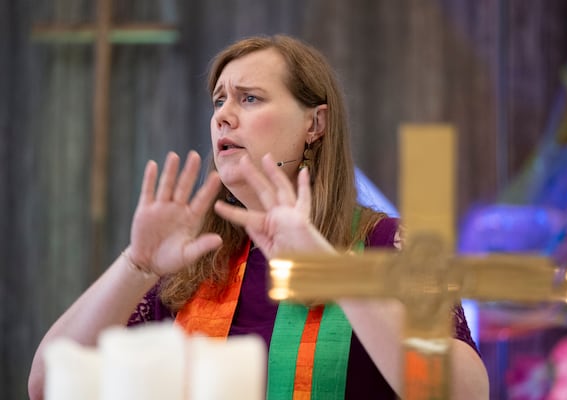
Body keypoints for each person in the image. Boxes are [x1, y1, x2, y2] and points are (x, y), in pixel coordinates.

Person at [28, 34, 488, 399]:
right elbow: (48, 384)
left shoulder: (390, 243)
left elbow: (464, 394)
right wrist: (137, 264)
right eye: (218, 101)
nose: (223, 116)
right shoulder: (194, 262)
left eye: (249, 99)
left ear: (315, 124)